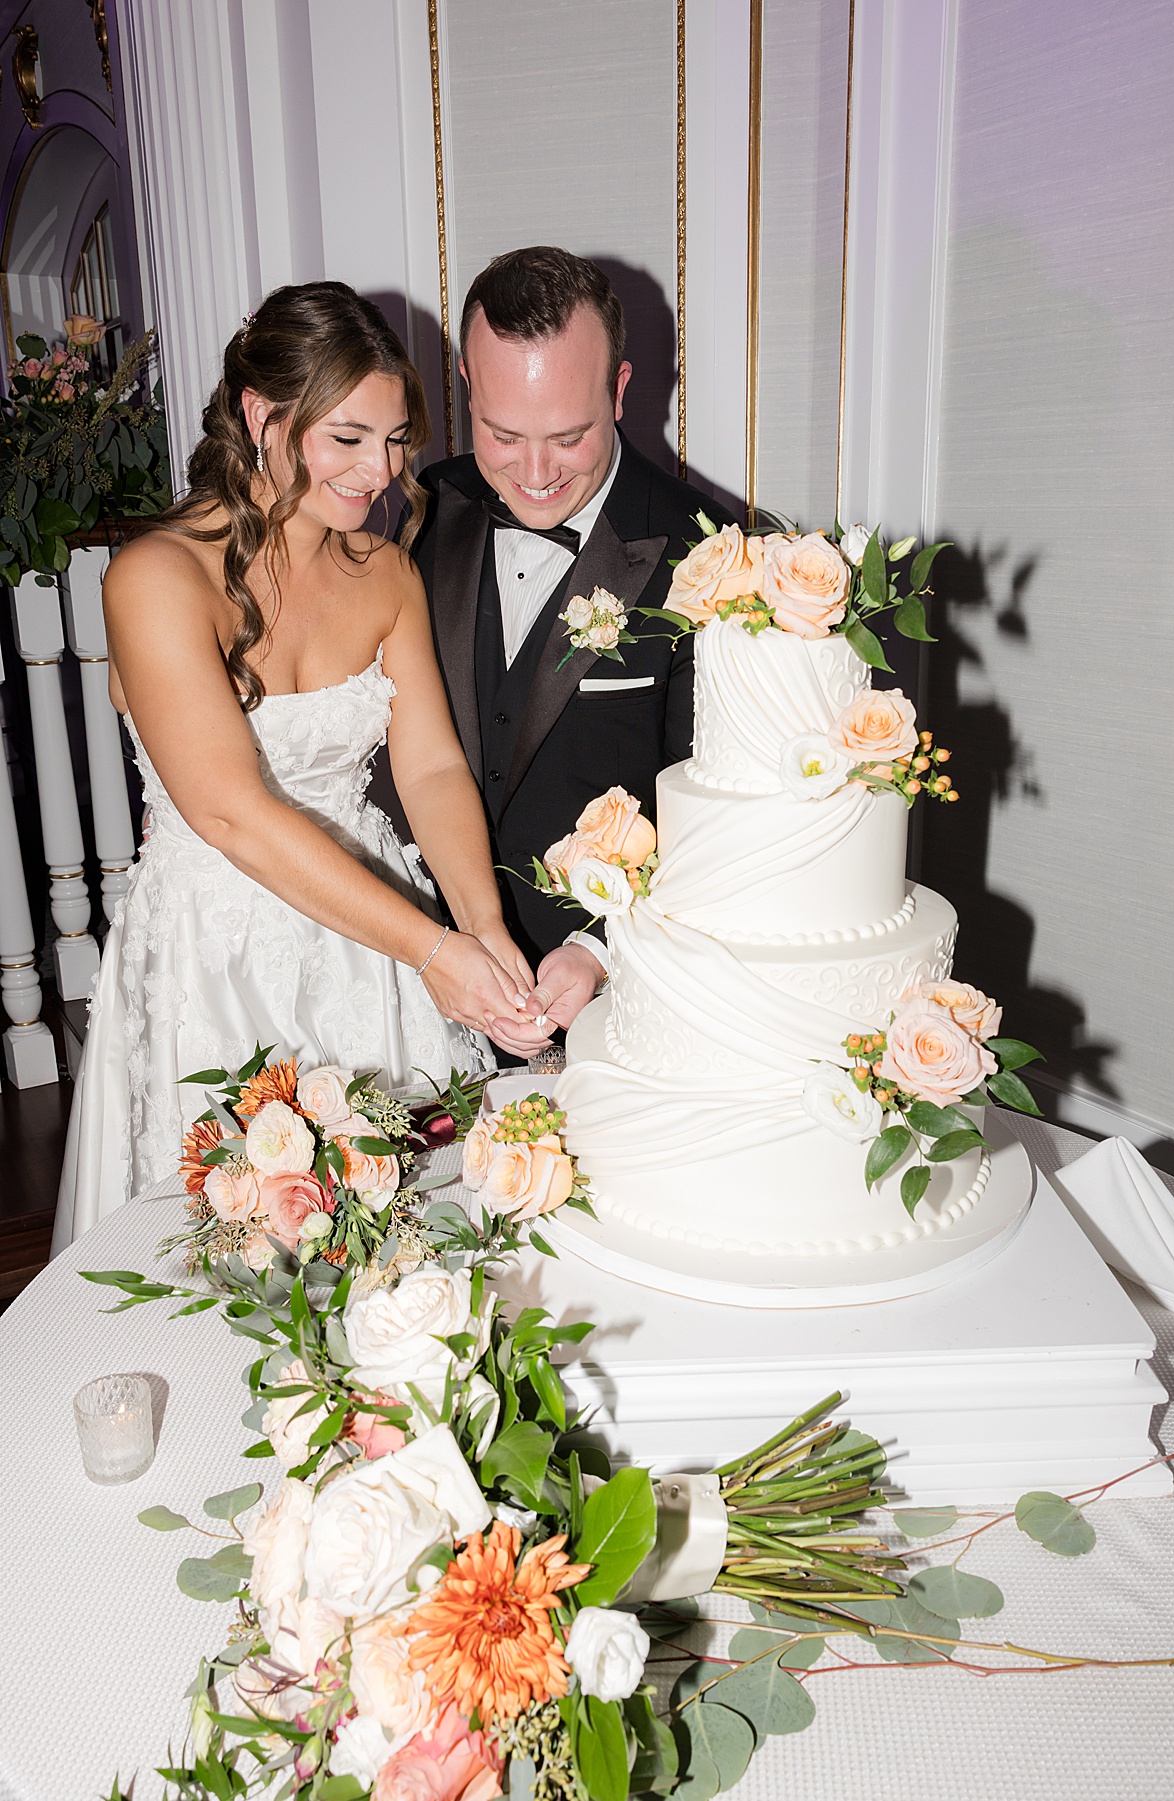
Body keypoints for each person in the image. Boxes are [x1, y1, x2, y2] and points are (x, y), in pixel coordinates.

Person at [56, 282, 534, 1250]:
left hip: (375, 945)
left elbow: (435, 767)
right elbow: (230, 813)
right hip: (217, 954)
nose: (379, 470)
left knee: (405, 1236)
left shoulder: (384, 571)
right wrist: (435, 950)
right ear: (259, 415)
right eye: (346, 437)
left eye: (396, 439)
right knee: (234, 1246)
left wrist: (481, 932)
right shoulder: (156, 576)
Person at [401, 247, 725, 1057]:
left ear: (618, 390)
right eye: (502, 434)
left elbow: (717, 811)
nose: (535, 474)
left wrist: (600, 948)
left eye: (569, 436)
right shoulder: (418, 511)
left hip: (603, 1021)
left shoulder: (712, 559)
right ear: (469, 391)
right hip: (408, 992)